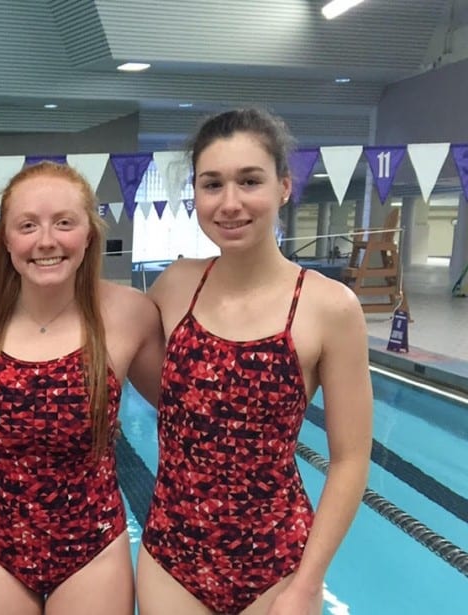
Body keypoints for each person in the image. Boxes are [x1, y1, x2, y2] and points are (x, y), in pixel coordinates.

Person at [137, 108, 372, 615]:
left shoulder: (329, 307)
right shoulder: (177, 285)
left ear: (285, 186)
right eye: (212, 184)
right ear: (194, 194)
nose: (230, 203)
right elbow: (96, 324)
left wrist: (308, 585)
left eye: (250, 181)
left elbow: (351, 460)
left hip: (277, 563)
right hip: (171, 557)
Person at [0, 161, 164, 615]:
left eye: (64, 223)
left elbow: (187, 412)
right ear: (7, 240)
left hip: (93, 547)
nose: (46, 240)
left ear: (89, 232)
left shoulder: (130, 313)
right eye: (27, 225)